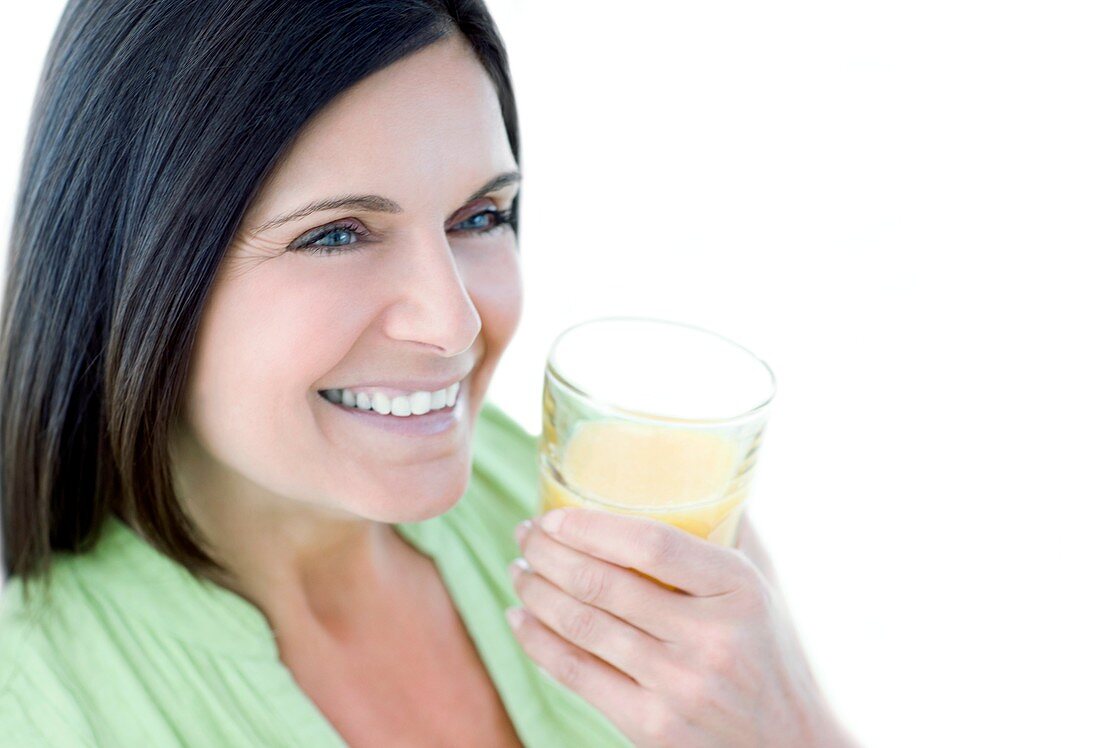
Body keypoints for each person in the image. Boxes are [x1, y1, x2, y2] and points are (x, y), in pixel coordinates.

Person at [0, 1, 858, 746]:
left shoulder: (591, 518)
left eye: (480, 216)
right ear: (131, 269)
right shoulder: (36, 710)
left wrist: (795, 731)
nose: (455, 324)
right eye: (336, 234)